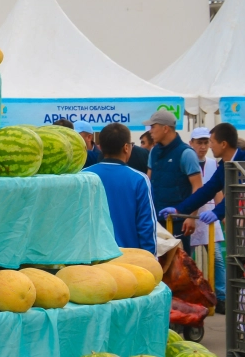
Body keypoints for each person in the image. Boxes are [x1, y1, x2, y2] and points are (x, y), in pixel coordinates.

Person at [84, 124, 156, 252]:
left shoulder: (83, 177)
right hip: (128, 261)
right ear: (126, 147)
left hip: (91, 259)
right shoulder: (139, 179)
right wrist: (150, 259)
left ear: (101, 147)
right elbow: (146, 226)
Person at [145, 110, 202, 246]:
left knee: (180, 264)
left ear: (165, 128)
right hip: (156, 220)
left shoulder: (186, 153)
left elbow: (198, 187)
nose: (150, 131)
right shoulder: (154, 151)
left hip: (179, 221)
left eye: (153, 127)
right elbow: (148, 181)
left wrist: (191, 216)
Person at [186, 126, 225, 311]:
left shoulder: (213, 163)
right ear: (191, 143)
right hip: (192, 215)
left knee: (216, 257)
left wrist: (221, 213)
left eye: (205, 142)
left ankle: (222, 296)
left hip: (209, 214)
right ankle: (193, 296)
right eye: (199, 143)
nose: (202, 147)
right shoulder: (187, 160)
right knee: (188, 259)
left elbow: (216, 189)